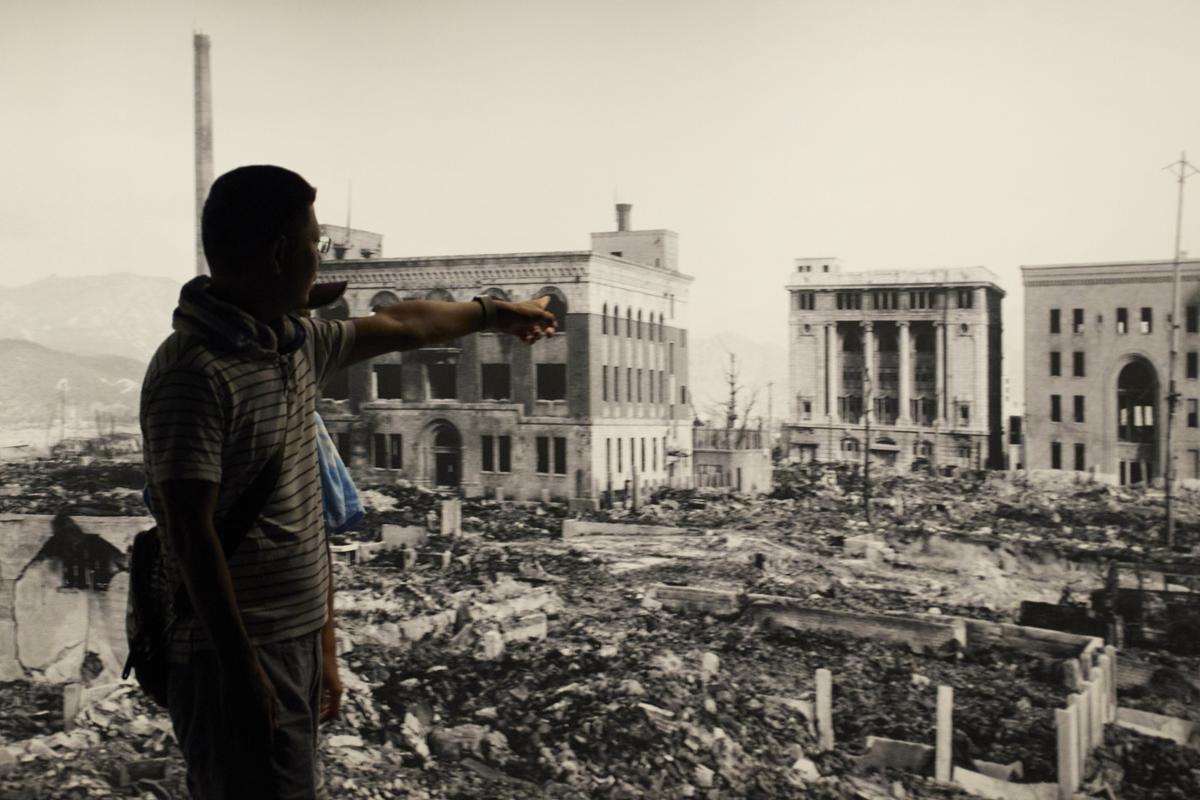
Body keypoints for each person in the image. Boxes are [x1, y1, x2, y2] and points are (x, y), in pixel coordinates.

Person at [140, 164, 556, 799]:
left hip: (291, 642)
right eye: (316, 243)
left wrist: (499, 314)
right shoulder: (193, 374)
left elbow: (403, 325)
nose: (320, 257)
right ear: (281, 252)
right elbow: (192, 536)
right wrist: (242, 668)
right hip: (237, 656)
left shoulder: (290, 344)